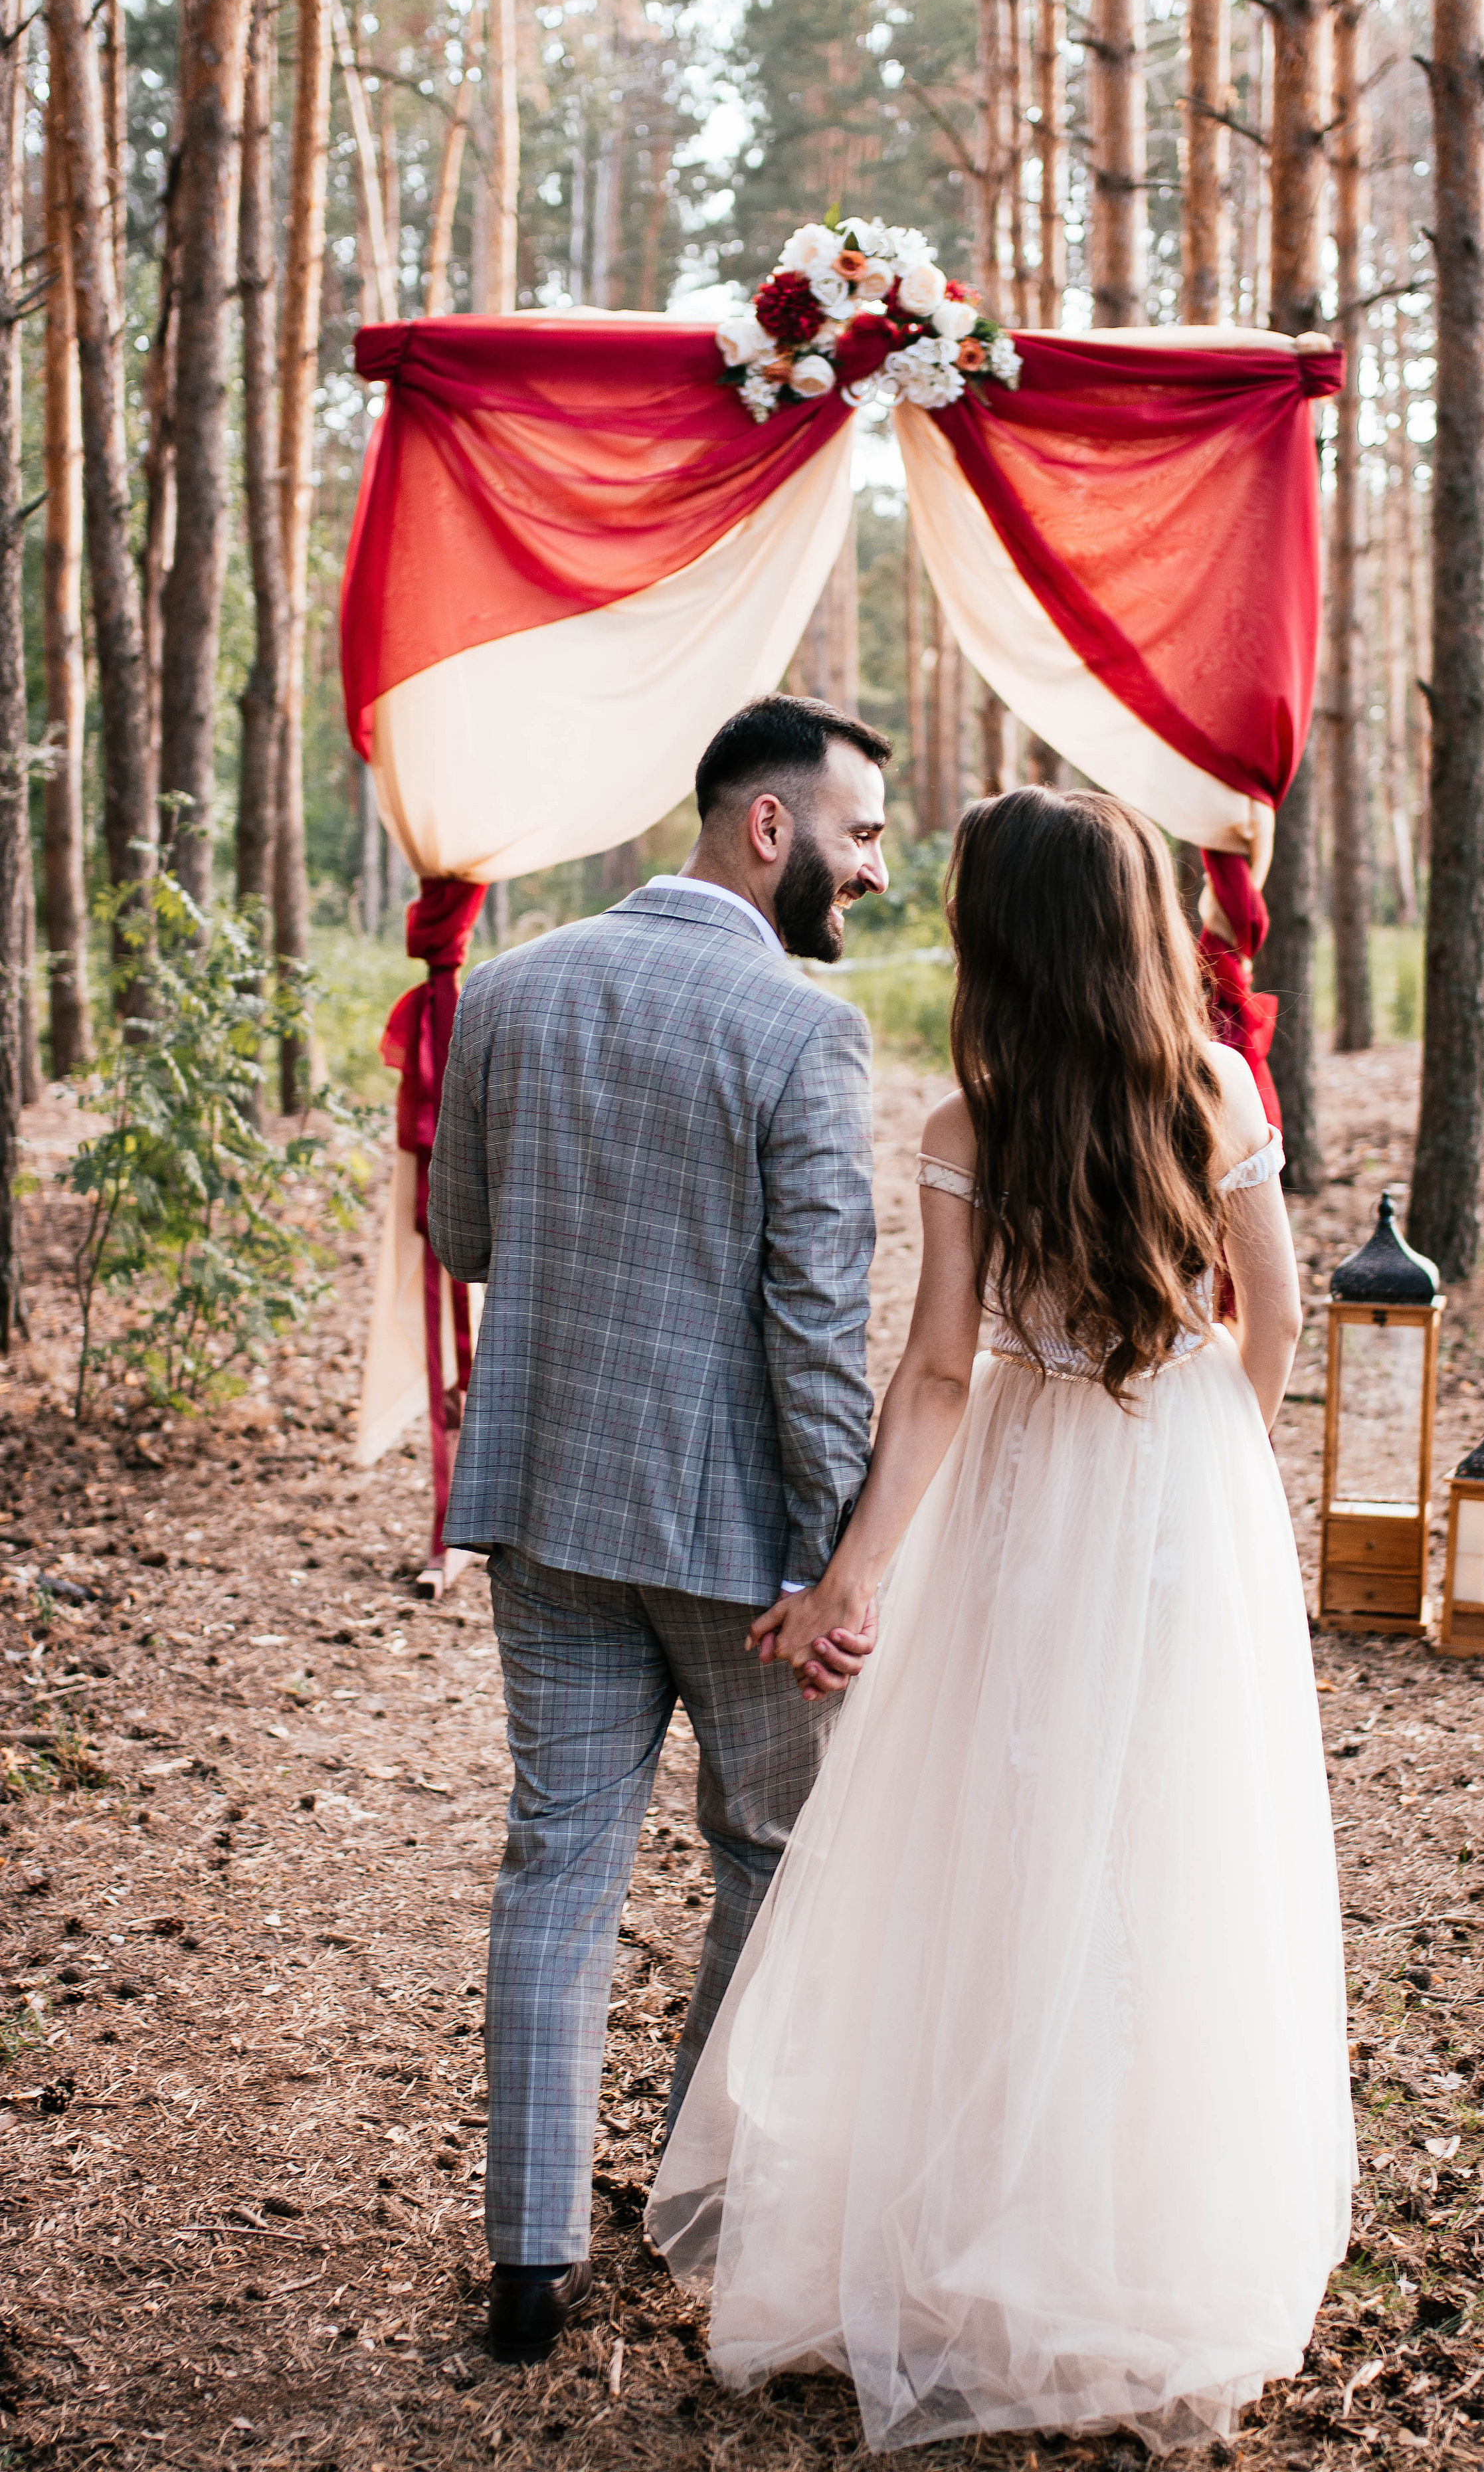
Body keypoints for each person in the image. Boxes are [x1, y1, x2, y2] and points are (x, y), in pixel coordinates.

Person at [648, 787, 1356, 2457]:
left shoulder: (973, 1128)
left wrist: (857, 1573)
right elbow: (1271, 1308)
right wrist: (1212, 1478)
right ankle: (1123, 2221)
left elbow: (945, 1370)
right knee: (1164, 1846)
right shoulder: (1215, 1090)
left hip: (1025, 1511)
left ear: (999, 939)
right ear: (1127, 926)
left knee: (1002, 1839)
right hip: (1179, 1494)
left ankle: (989, 2219)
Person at [428, 694, 893, 2365]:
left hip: (548, 1507)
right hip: (738, 1552)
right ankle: (695, 2205)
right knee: (767, 1853)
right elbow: (816, 1328)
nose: (873, 875)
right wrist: (818, 1568)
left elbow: (467, 1238)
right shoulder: (802, 1036)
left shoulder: (512, 987)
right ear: (765, 827)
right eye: (858, 839)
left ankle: (529, 2263)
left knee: (558, 1858)